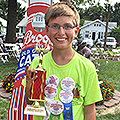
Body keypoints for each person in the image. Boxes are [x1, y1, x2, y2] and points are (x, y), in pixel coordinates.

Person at [22, 2, 102, 120]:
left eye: (67, 26)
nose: (61, 32)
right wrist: (29, 87)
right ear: (47, 30)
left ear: (76, 31)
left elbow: (89, 111)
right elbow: (30, 102)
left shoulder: (87, 67)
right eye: (55, 26)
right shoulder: (37, 62)